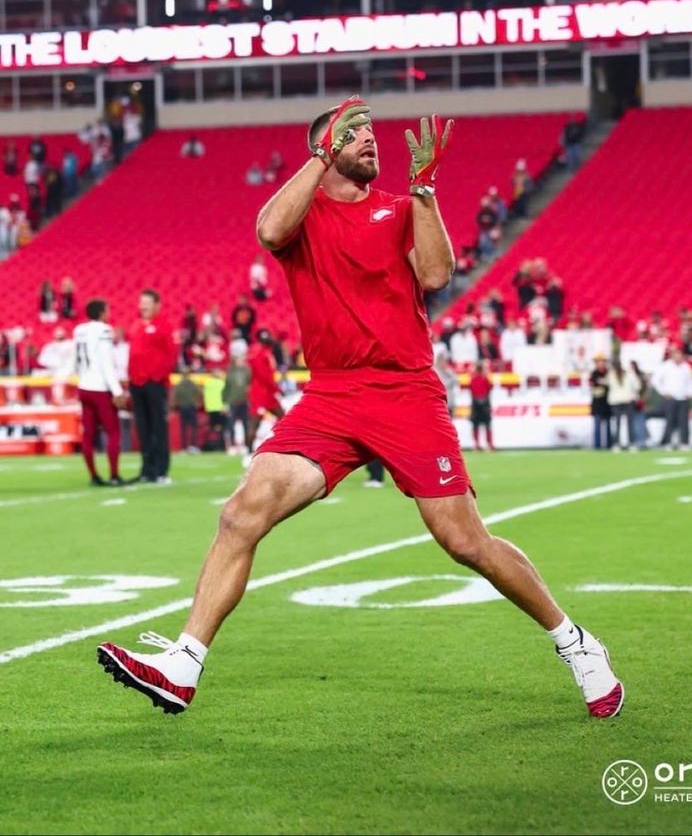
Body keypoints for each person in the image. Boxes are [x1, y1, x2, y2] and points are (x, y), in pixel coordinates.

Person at [98, 95, 624, 719]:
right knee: (242, 512)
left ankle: (577, 644)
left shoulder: (401, 208)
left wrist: (425, 189)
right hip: (330, 396)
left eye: (372, 131)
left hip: (404, 392)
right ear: (324, 150)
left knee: (464, 541)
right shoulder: (301, 214)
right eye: (354, 133)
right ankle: (183, 665)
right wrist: (320, 157)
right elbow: (268, 230)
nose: (371, 139)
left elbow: (435, 275)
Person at [73, 299, 128, 487]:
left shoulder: (79, 330)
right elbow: (106, 364)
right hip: (100, 388)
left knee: (88, 434)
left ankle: (94, 475)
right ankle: (114, 475)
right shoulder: (104, 330)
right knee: (113, 432)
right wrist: (117, 391)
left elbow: (76, 360)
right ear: (102, 313)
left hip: (83, 386)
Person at [129, 289, 175, 485]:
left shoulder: (165, 326)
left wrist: (157, 375)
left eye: (146, 302)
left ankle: (161, 470)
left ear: (157, 305)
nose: (143, 306)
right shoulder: (137, 326)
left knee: (158, 427)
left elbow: (171, 355)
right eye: (141, 302)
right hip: (136, 384)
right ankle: (146, 468)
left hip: (155, 384)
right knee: (142, 428)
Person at [653, 348, 692, 449]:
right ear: (672, 356)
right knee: (670, 420)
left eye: (680, 355)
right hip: (670, 398)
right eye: (676, 355)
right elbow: (656, 381)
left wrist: (690, 393)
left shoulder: (686, 367)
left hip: (683, 398)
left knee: (684, 421)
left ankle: (684, 443)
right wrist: (664, 392)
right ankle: (666, 443)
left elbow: (690, 382)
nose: (678, 357)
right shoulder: (665, 366)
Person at [222, 354, 251, 454]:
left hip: (245, 401)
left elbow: (251, 383)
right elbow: (226, 387)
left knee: (246, 424)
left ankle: (247, 446)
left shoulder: (247, 370)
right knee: (231, 424)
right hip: (232, 401)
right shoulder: (230, 371)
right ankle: (232, 446)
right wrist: (224, 402)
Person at [607, 359, 637, 451]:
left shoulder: (611, 375)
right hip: (627, 400)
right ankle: (631, 443)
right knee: (629, 423)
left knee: (617, 424)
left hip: (616, 401)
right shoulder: (629, 374)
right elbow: (637, 386)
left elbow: (607, 384)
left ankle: (616, 444)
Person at [173, 368, 203, 453]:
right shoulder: (192, 383)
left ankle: (184, 447)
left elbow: (175, 396)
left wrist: (178, 403)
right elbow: (199, 392)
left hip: (183, 407)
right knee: (193, 427)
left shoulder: (179, 384)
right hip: (191, 407)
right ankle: (193, 446)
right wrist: (196, 402)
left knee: (183, 428)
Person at [468, 361, 494, 450]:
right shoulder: (485, 379)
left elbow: (471, 389)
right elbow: (490, 387)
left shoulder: (473, 379)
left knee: (476, 425)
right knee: (487, 424)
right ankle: (489, 444)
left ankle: (476, 444)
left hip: (475, 403)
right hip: (485, 403)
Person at [589, 355, 612, 449]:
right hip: (597, 404)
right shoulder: (594, 373)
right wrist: (603, 384)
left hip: (607, 403)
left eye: (602, 362)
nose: (601, 364)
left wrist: (602, 384)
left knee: (608, 427)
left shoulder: (609, 373)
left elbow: (609, 385)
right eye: (599, 362)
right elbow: (594, 388)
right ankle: (597, 445)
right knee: (597, 426)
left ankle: (609, 445)